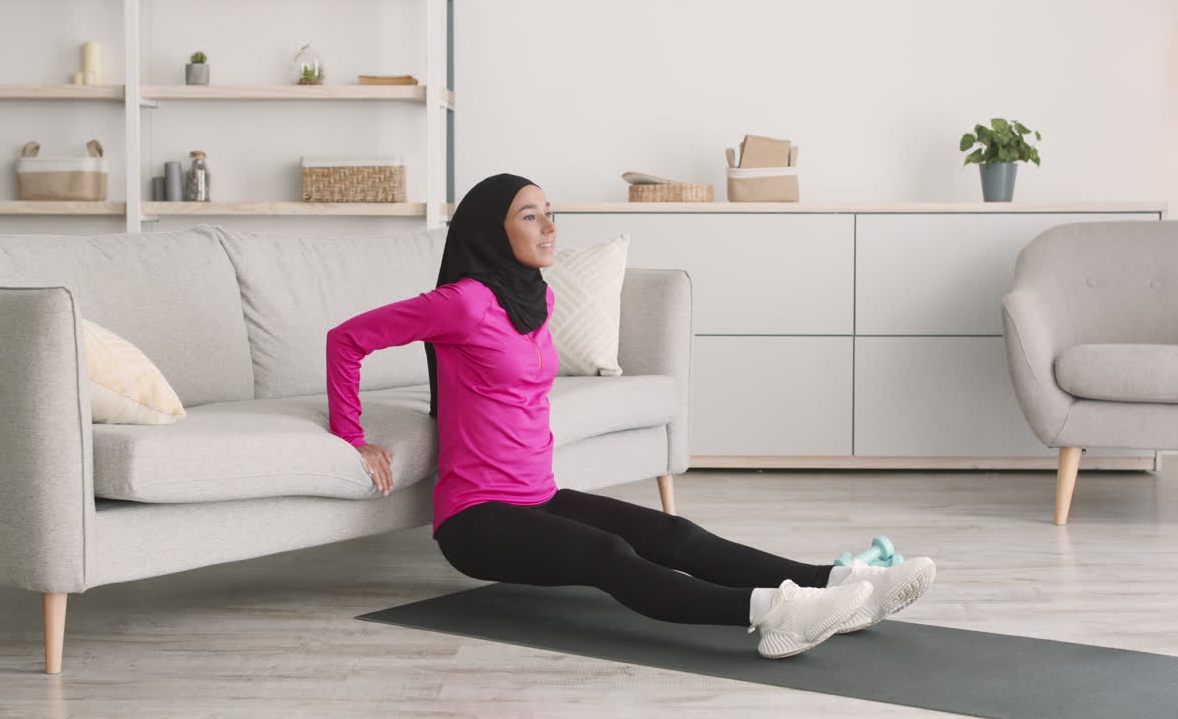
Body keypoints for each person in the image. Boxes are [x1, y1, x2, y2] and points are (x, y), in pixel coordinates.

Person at [326, 173, 936, 659]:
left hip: (536, 496)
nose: (549, 227)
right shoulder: (462, 303)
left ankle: (833, 583)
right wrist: (356, 438)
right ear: (491, 230)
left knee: (677, 535)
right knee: (610, 555)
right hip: (476, 521)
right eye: (529, 216)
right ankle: (774, 615)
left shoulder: (536, 297)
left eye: (550, 213)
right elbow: (346, 338)